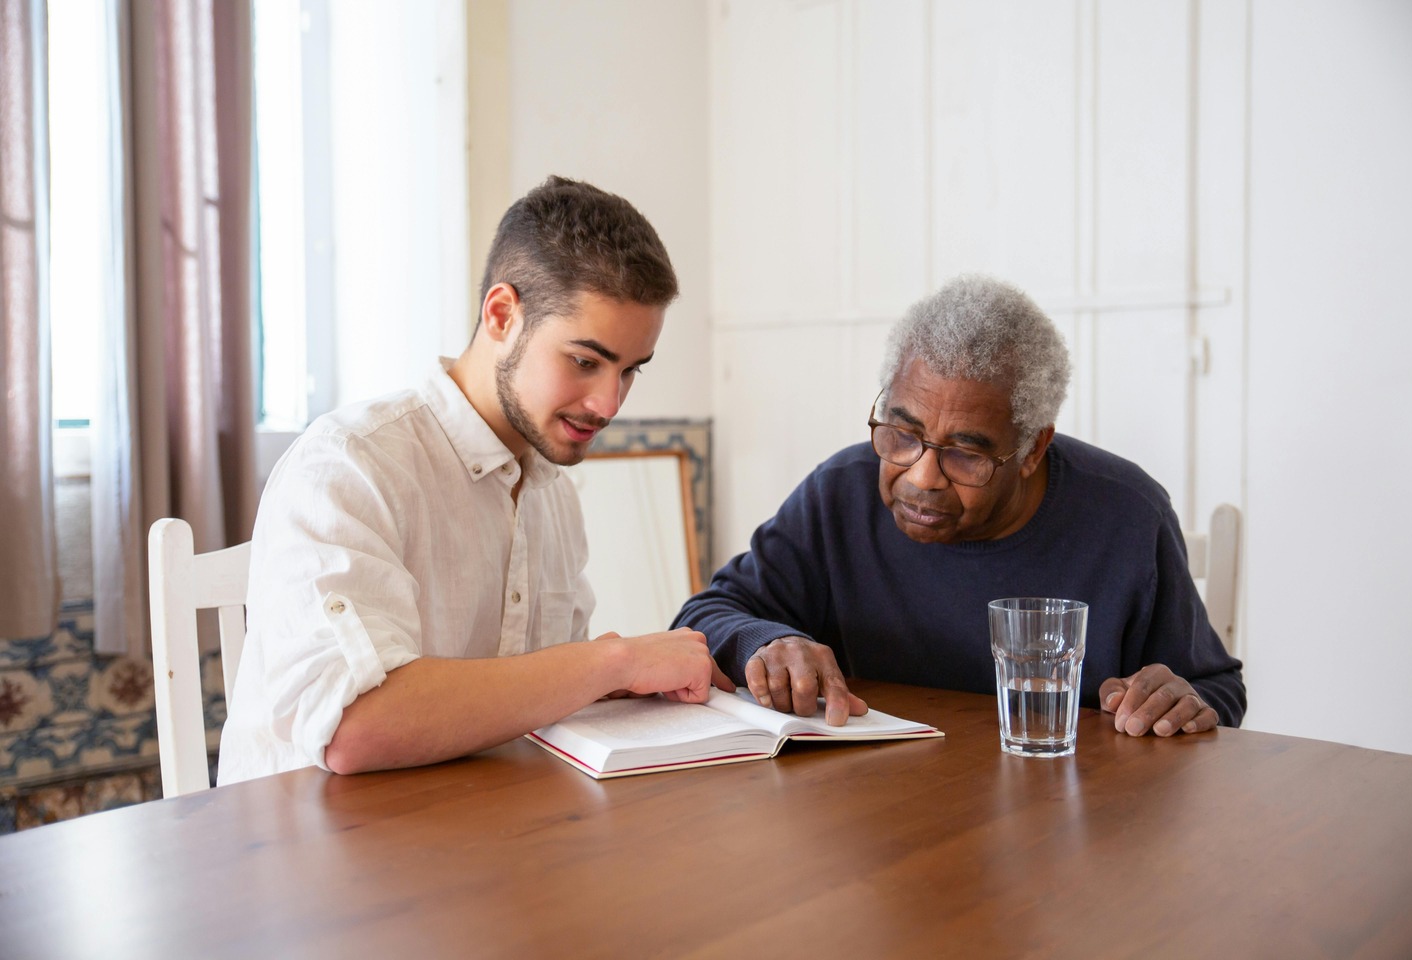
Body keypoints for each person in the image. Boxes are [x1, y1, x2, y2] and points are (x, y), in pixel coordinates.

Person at [219, 176, 732, 784]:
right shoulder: (350, 464)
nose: (608, 404)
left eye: (629, 371)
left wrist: (647, 687)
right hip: (309, 857)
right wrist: (613, 661)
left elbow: (544, 701)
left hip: (475, 836)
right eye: (585, 362)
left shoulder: (553, 494)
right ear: (501, 315)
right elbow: (355, 729)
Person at [674, 274, 1244, 737]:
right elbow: (701, 618)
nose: (921, 477)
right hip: (879, 820)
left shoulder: (1126, 515)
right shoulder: (839, 494)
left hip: (1065, 825)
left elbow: (1214, 689)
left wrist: (1179, 701)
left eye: (966, 454)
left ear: (1031, 448)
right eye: (901, 434)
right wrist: (770, 641)